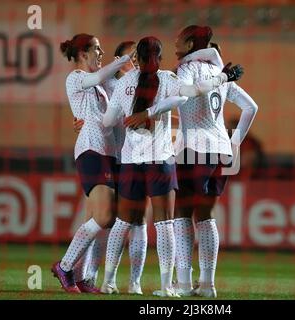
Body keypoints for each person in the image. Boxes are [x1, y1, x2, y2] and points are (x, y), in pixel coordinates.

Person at [101, 36, 242, 297]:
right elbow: (185, 97)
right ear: (160, 58)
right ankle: (167, 285)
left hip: (131, 161)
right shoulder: (168, 79)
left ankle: (107, 282)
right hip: (161, 160)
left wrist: (100, 118)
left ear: (137, 59)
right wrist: (222, 77)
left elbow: (108, 120)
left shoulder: (124, 84)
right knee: (164, 224)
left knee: (122, 222)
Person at [51, 33, 135, 294]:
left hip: (110, 154)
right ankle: (64, 267)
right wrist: (125, 57)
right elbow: (98, 77)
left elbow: (121, 102)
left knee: (99, 219)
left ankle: (80, 276)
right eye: (97, 49)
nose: (101, 53)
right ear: (83, 54)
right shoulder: (76, 78)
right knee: (104, 216)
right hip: (91, 151)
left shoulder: (104, 85)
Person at [71, 41, 148, 295]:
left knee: (130, 221)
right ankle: (90, 276)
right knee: (109, 219)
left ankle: (114, 280)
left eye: (139, 59)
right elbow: (100, 114)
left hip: (131, 157)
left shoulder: (147, 85)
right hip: (116, 158)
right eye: (133, 59)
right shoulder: (113, 85)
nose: (137, 63)